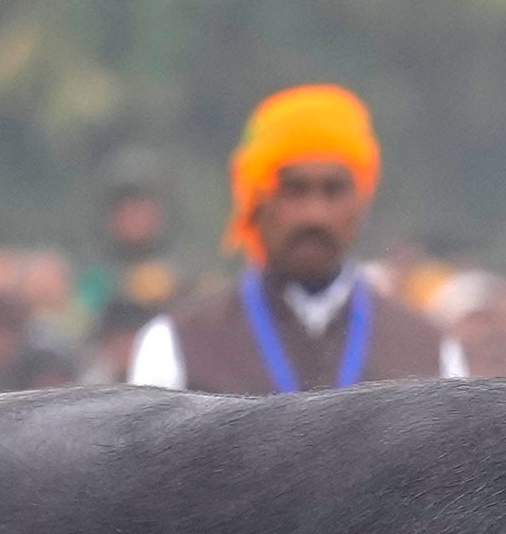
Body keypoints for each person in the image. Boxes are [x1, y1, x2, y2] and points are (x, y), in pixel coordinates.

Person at [133, 83, 459, 391]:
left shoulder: (430, 352)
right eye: (293, 190)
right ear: (255, 202)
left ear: (361, 201)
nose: (314, 214)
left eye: (333, 190)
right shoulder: (176, 345)